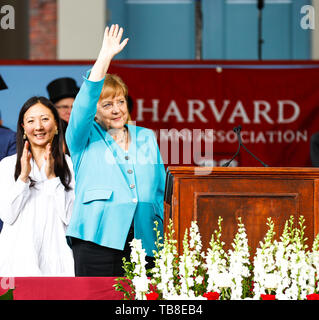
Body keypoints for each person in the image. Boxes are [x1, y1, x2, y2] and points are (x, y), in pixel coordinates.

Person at [66, 24, 166, 277]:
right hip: (96, 239)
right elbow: (84, 104)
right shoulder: (84, 137)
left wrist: (163, 231)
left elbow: (160, 190)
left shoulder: (145, 137)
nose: (116, 109)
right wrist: (104, 58)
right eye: (107, 104)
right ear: (95, 111)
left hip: (147, 240)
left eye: (120, 101)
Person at [0, 96, 75, 276]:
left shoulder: (70, 165)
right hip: (17, 260)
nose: (39, 127)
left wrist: (52, 179)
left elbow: (71, 218)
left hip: (57, 258)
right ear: (23, 128)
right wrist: (23, 178)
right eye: (31, 121)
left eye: (45, 119)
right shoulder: (8, 165)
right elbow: (7, 216)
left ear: (56, 125)